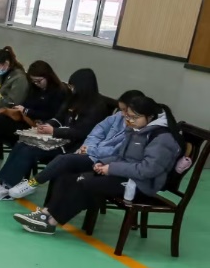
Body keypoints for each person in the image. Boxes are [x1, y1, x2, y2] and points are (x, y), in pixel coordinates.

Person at [13, 96, 181, 236]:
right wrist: (103, 163)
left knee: (84, 182)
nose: (129, 121)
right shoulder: (136, 129)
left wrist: (111, 168)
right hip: (122, 174)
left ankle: (50, 222)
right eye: (128, 116)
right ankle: (46, 214)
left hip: (140, 184)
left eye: (134, 117)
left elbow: (148, 170)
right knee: (68, 177)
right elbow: (120, 156)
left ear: (150, 117)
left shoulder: (162, 138)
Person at [0, 69, 112, 201]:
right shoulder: (73, 99)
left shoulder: (97, 107)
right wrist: (47, 125)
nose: (71, 89)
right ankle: (3, 183)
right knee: (21, 144)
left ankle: (8, 187)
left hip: (72, 145)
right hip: (58, 138)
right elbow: (59, 117)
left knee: (29, 150)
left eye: (73, 86)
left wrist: (54, 131)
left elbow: (82, 132)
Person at [3, 90, 145, 201]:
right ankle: (44, 208)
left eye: (126, 111)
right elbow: (97, 131)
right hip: (90, 151)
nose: (123, 114)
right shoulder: (117, 117)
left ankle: (32, 184)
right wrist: (88, 146)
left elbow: (117, 151)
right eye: (121, 110)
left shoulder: (137, 129)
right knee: (59, 163)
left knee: (64, 160)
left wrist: (91, 150)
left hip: (103, 160)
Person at [0, 60, 64, 180]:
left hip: (38, 126)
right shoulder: (34, 88)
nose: (36, 84)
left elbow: (52, 114)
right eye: (34, 81)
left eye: (39, 81)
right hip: (24, 120)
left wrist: (27, 111)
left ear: (48, 76)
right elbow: (27, 103)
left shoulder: (58, 92)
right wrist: (22, 110)